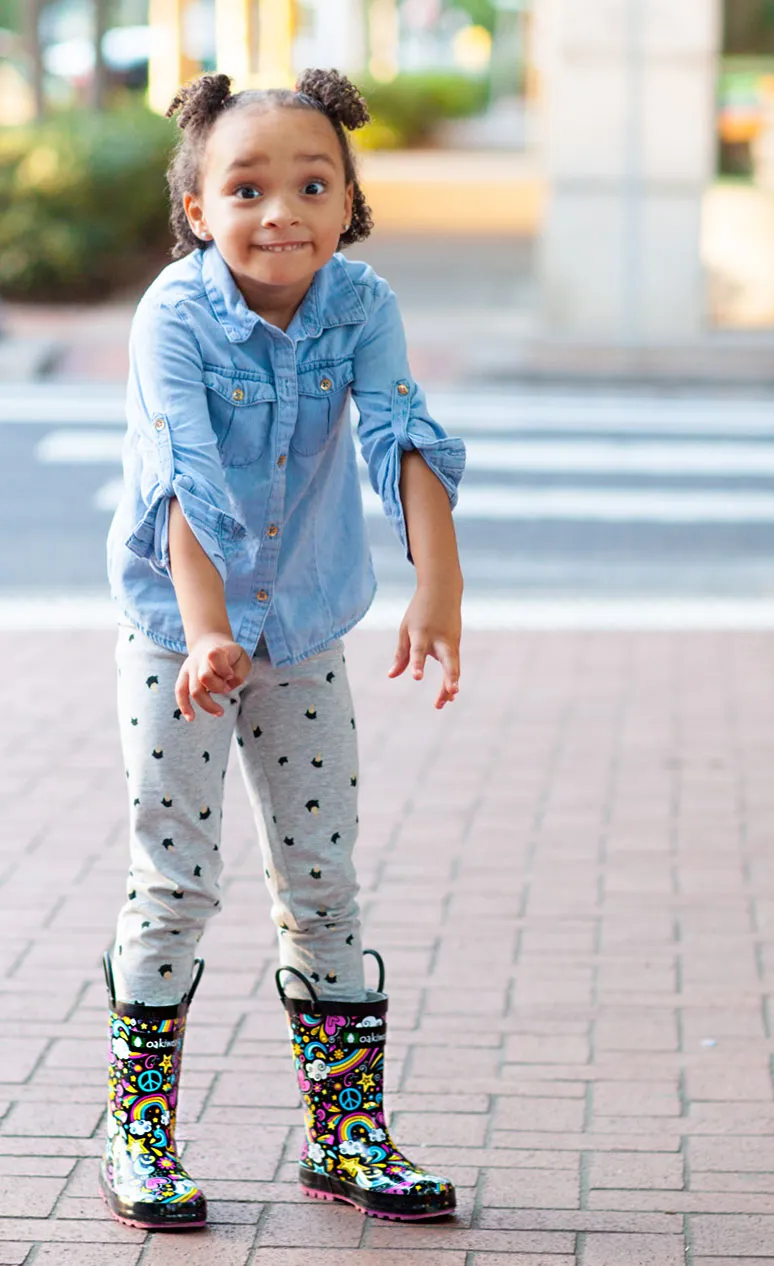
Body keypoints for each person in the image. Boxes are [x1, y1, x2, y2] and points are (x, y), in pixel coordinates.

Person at [101, 68, 466, 1230]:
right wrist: (206, 633)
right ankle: (140, 1137)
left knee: (322, 884)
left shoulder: (358, 304)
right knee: (174, 883)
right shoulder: (175, 313)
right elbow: (182, 474)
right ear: (198, 208)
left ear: (349, 197)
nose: (282, 212)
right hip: (177, 636)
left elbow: (401, 430)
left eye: (313, 184)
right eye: (246, 188)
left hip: (304, 629)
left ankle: (345, 1133)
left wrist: (438, 586)